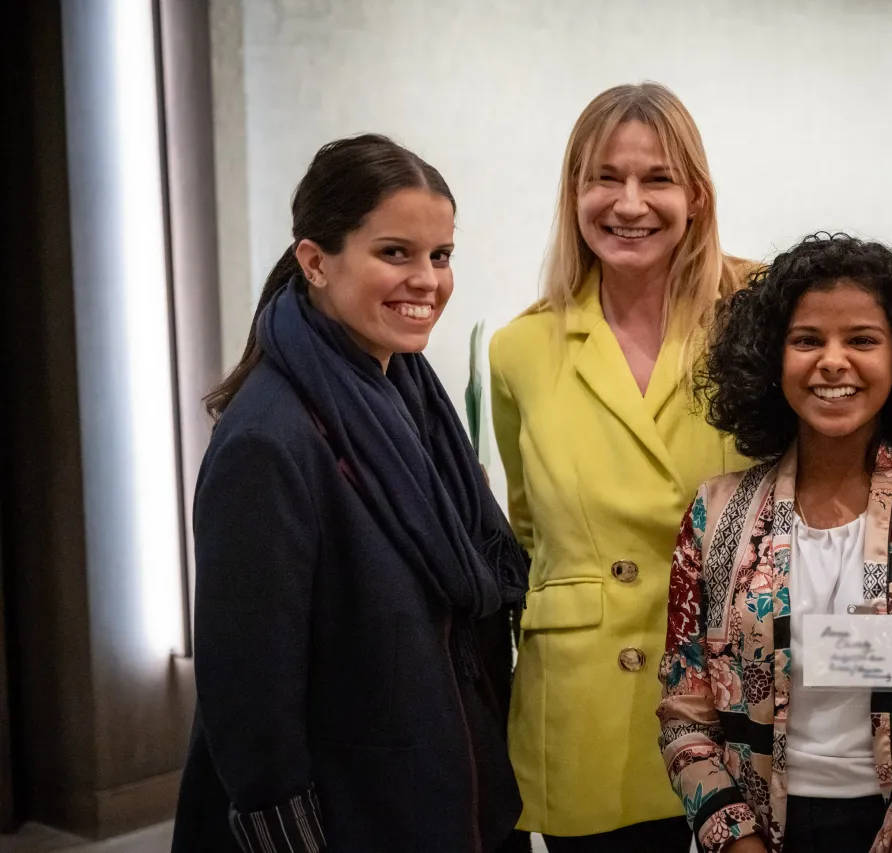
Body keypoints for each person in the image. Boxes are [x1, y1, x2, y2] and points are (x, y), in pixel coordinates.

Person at [172, 134, 528, 852]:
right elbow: (251, 704)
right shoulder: (268, 441)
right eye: (395, 253)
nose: (426, 279)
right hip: (352, 819)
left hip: (448, 797)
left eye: (441, 255)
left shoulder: (409, 394)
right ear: (315, 261)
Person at [659, 233, 892, 853]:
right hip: (763, 834)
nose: (833, 361)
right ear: (771, 361)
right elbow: (683, 712)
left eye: (862, 339)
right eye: (807, 340)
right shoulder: (716, 513)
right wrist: (737, 842)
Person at [490, 83, 751, 850]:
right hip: (586, 706)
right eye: (605, 177)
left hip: (734, 697)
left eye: (657, 178)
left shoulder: (760, 313)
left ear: (697, 195)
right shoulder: (521, 350)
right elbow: (530, 526)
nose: (628, 202)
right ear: (574, 191)